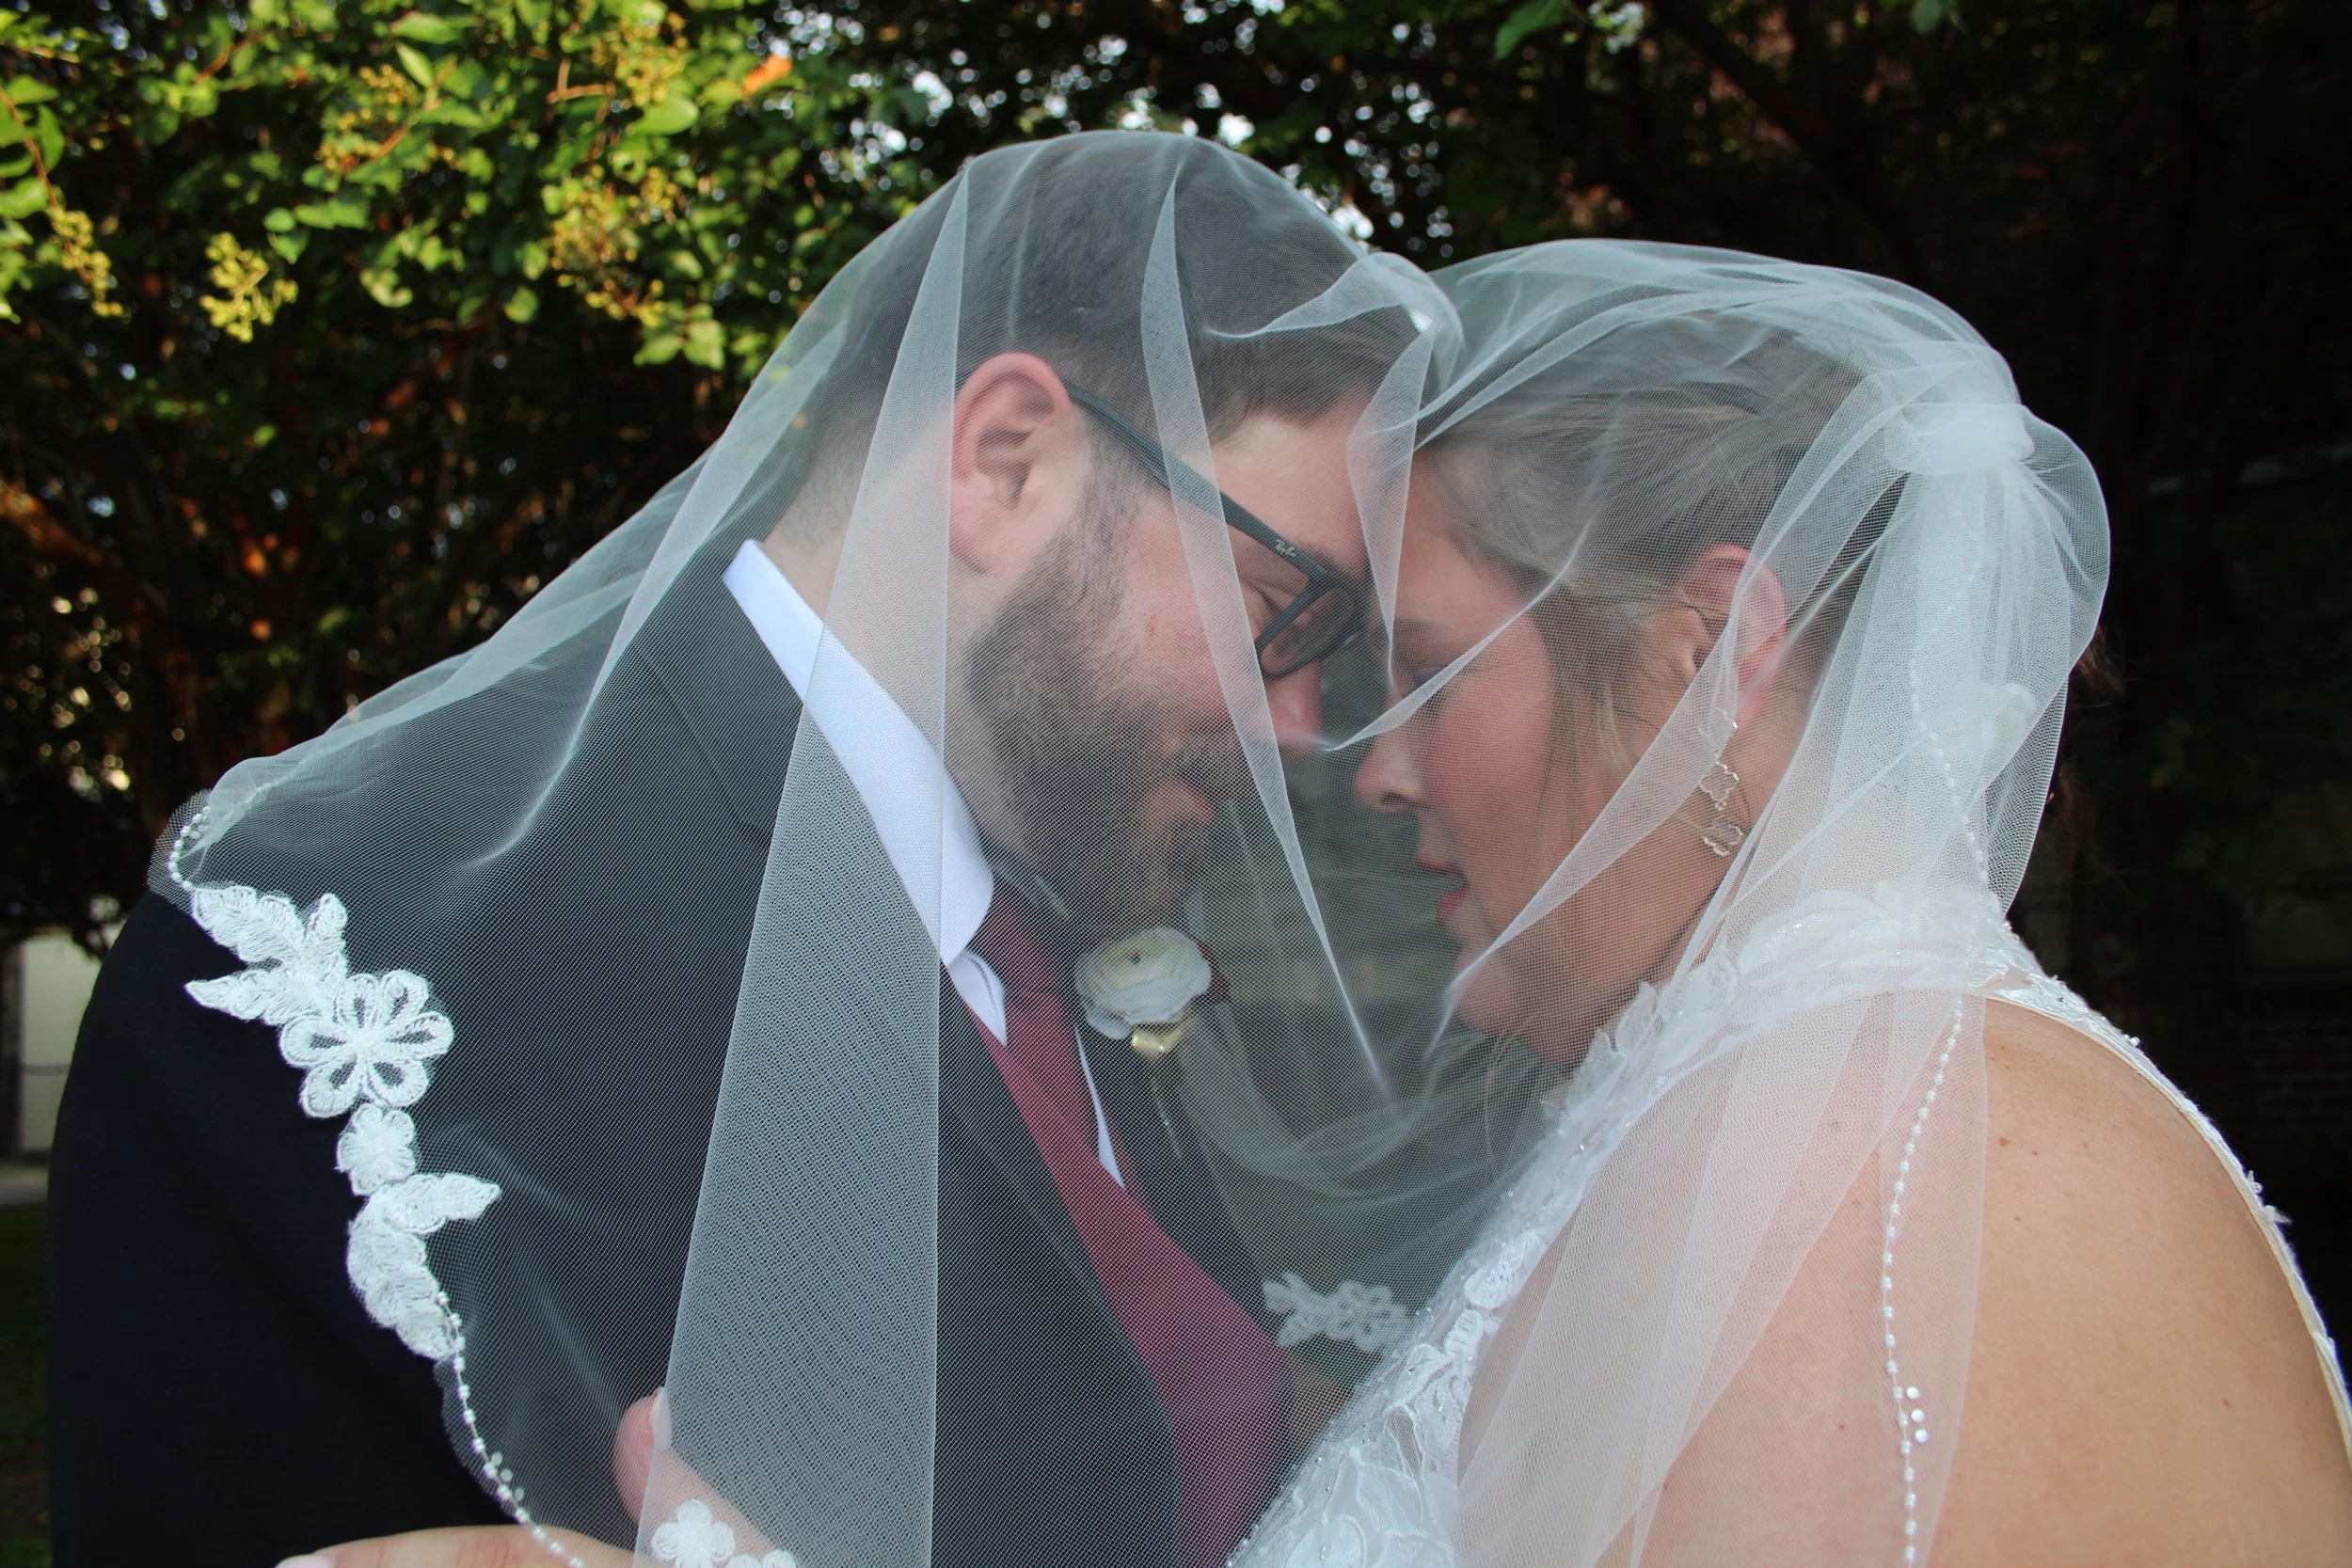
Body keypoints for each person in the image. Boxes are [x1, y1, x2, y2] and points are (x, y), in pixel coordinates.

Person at [44, 132, 1432, 1568]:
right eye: (1286, 609)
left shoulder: (1046, 912)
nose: (1300, 728)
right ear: (1004, 458)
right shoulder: (319, 958)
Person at [1231, 240, 2352, 1566]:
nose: (1382, 772)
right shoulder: (1777, 1103)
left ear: (1708, 655)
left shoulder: (1828, 1166)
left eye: (1430, 673)